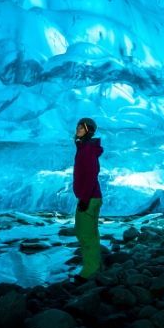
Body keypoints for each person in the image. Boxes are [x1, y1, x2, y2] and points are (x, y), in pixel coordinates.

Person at [72, 117, 103, 283]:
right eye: (78, 126)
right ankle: (95, 266)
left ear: (89, 131)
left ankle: (90, 271)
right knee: (88, 233)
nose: (78, 129)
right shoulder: (84, 148)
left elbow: (91, 175)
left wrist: (84, 198)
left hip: (89, 198)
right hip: (89, 197)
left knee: (85, 235)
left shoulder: (88, 150)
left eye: (82, 127)